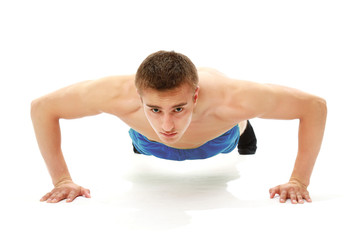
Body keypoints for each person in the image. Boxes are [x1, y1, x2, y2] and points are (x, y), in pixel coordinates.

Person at [31, 50, 327, 204]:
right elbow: (42, 108)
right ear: (139, 96)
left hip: (219, 139)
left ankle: (243, 129)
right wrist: (61, 180)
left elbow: (313, 107)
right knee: (147, 137)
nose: (167, 124)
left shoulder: (233, 98)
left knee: (238, 124)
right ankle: (143, 137)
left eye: (179, 108)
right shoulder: (113, 94)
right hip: (146, 141)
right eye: (155, 109)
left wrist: (299, 181)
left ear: (195, 96)